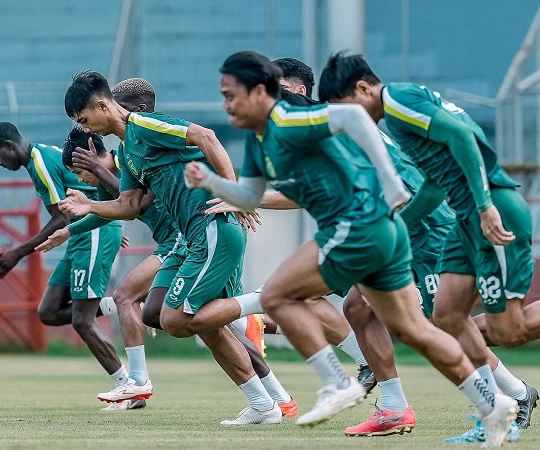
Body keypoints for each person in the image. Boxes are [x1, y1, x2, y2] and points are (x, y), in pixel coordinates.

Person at [184, 50, 518, 446]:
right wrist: (212, 183)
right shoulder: (263, 141)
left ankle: (337, 383)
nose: (224, 105)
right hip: (386, 229)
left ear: (265, 91)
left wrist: (394, 188)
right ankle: (487, 404)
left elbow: (356, 122)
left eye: (230, 94)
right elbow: (258, 192)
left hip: (388, 228)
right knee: (401, 323)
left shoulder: (298, 120)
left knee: (279, 295)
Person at [318, 51, 539, 440]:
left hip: (492, 208)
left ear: (364, 88)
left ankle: (506, 400)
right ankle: (493, 411)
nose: (347, 119)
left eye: (345, 108)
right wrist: (396, 230)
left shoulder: (399, 102)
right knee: (448, 318)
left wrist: (486, 205)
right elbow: (435, 185)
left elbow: (462, 137)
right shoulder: (399, 120)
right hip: (462, 219)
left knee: (510, 330)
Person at [57, 70, 284, 425]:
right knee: (198, 323)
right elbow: (129, 206)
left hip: (210, 227)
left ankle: (265, 300)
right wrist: (89, 206)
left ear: (103, 105)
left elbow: (206, 136)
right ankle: (264, 405)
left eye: (85, 120)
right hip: (190, 238)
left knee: (176, 320)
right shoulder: (128, 150)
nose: (86, 129)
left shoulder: (145, 125)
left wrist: (236, 194)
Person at [0, 122, 132, 411]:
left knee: (81, 320)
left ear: (10, 146)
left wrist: (17, 253)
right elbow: (73, 203)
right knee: (49, 312)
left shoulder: (39, 163)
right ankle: (119, 304)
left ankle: (128, 389)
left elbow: (60, 219)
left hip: (90, 233)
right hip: (85, 233)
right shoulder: (40, 157)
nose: (0, 163)